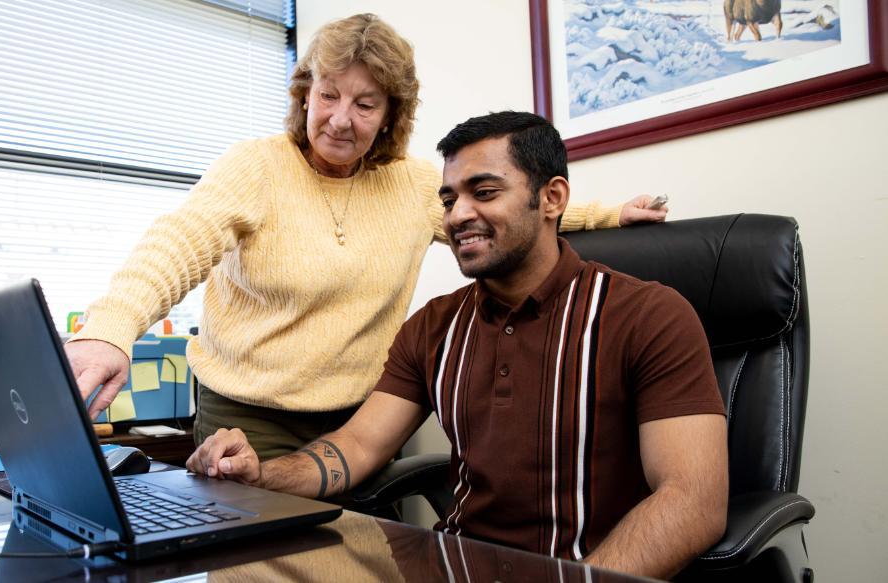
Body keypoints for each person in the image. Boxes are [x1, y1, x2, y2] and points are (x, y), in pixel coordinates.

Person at [67, 14, 668, 460]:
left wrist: (610, 214)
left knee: (367, 561)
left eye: (364, 103)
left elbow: (502, 210)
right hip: (251, 417)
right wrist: (110, 332)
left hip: (367, 416)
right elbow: (176, 244)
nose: (339, 118)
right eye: (327, 95)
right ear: (305, 94)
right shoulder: (256, 167)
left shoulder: (410, 186)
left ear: (389, 115)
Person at [185, 111, 727, 579]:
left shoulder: (648, 315)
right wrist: (263, 474)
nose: (458, 214)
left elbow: (694, 502)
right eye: (449, 198)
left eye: (484, 192)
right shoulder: (435, 326)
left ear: (552, 198)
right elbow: (355, 448)